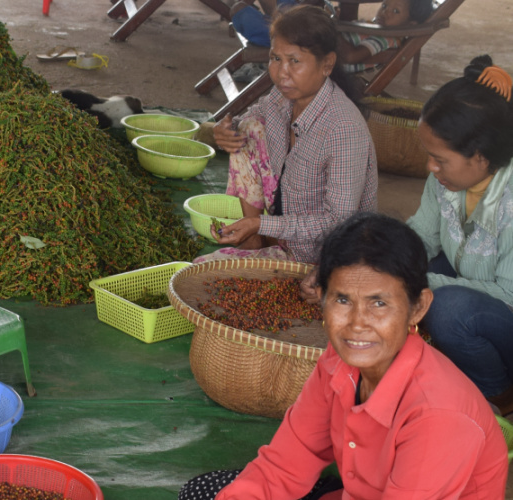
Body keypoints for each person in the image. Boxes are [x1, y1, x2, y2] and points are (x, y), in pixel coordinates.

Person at [180, 212, 509, 499]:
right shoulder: (338, 364)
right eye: (342, 300)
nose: (357, 324)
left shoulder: (438, 415)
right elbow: (285, 464)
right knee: (205, 491)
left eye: (379, 303)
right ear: (321, 299)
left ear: (417, 308)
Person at [196, 5, 378, 265]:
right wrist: (226, 130)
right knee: (249, 127)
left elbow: (339, 223)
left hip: (322, 257)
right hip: (285, 227)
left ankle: (263, 239)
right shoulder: (284, 97)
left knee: (202, 272)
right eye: (275, 58)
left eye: (295, 61)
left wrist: (263, 224)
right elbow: (251, 117)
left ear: (327, 64)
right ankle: (253, 241)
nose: (282, 72)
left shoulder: (344, 129)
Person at [405, 55, 513, 415]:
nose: (430, 167)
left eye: (439, 159)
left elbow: (508, 294)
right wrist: (387, 262)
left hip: (507, 307)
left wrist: (423, 282)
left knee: (448, 308)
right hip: (476, 286)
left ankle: (497, 390)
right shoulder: (447, 178)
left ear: (480, 157)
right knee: (406, 258)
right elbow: (423, 231)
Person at [337, 0, 433, 74]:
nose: (385, 12)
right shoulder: (377, 29)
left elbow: (350, 57)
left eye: (396, 11)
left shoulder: (385, 39)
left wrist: (332, 28)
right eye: (384, 5)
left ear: (410, 25)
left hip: (330, 63)